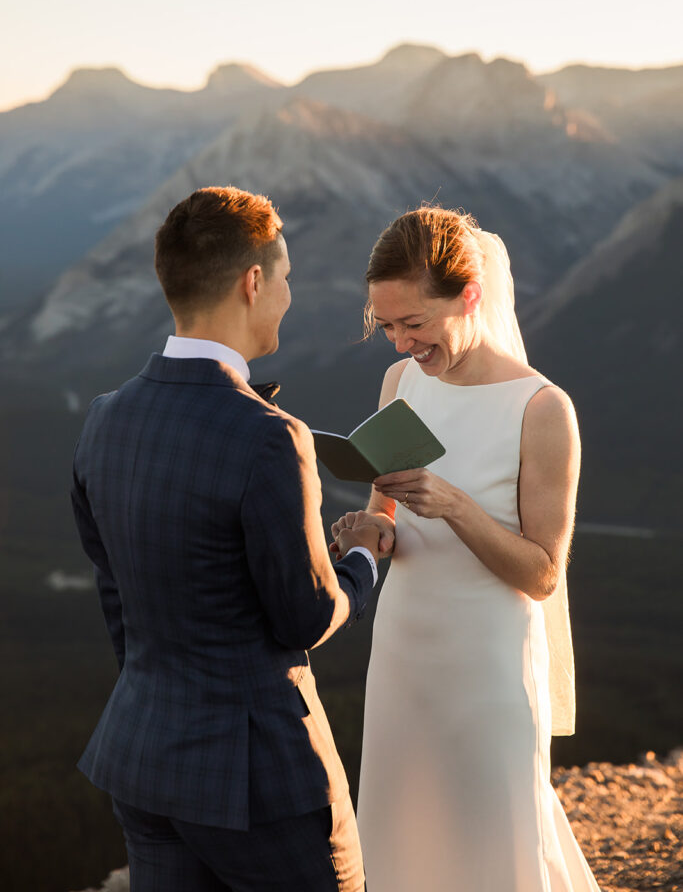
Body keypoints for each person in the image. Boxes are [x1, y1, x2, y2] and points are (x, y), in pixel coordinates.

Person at [71, 186, 381, 892]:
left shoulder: (103, 418)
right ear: (252, 282)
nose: (288, 296)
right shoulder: (269, 437)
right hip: (261, 781)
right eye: (286, 278)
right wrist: (362, 559)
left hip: (144, 759)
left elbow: (116, 593)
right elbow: (304, 616)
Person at [331, 206, 600, 891]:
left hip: (488, 660)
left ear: (469, 297)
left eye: (413, 323)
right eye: (385, 325)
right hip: (403, 649)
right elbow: (386, 515)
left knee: (493, 832)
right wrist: (369, 533)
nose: (399, 344)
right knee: (402, 828)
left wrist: (453, 505)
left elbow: (541, 575)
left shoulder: (541, 409)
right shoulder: (400, 385)